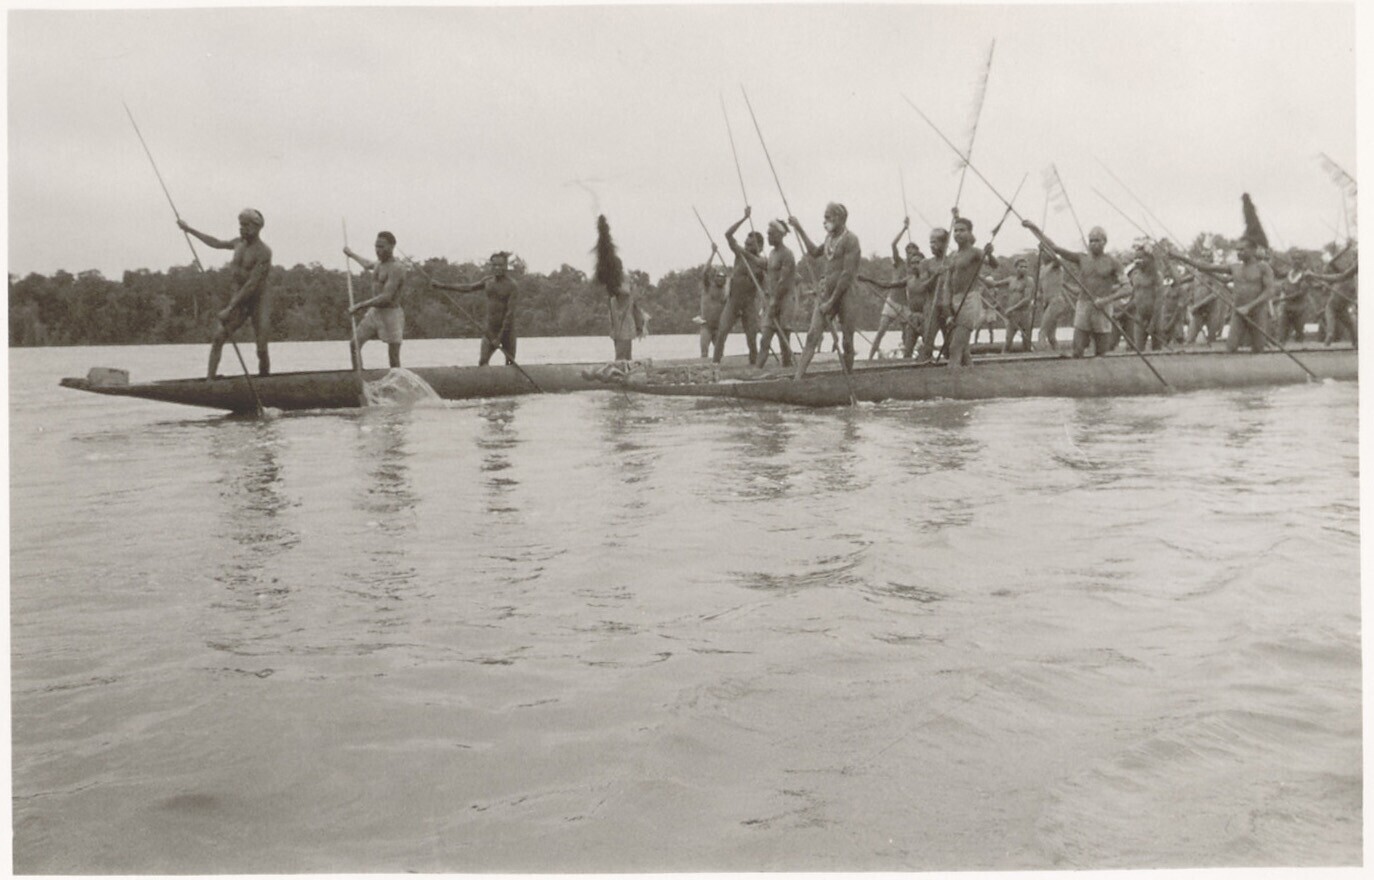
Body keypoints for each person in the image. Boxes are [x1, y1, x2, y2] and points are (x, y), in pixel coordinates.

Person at [178, 208, 273, 380]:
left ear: (257, 227)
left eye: (246, 225)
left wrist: (230, 308)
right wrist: (189, 229)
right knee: (219, 337)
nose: (241, 228)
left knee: (261, 348)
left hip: (258, 300)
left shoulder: (264, 252)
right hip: (239, 300)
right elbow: (215, 243)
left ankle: (265, 381)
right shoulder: (237, 243)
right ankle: (210, 380)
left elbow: (251, 285)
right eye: (240, 225)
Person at [1023, 221, 1123, 357]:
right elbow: (1054, 247)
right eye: (1091, 241)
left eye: (1097, 240)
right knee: (1078, 349)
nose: (1093, 244)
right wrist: (1033, 228)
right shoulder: (1082, 258)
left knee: (1102, 351)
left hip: (1103, 307)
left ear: (1104, 242)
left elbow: (1127, 288)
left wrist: (1106, 300)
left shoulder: (1113, 262)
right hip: (1084, 305)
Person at [1167, 235, 1277, 352]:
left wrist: (1249, 307)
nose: (1238, 253)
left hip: (1257, 312)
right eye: (1237, 250)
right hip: (1238, 311)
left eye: (1242, 249)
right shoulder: (1235, 267)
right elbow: (1206, 267)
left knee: (1258, 349)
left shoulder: (1263, 267)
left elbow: (1269, 291)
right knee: (1230, 348)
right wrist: (1179, 257)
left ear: (1253, 250)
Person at [789, 202, 860, 378]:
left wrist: (832, 302)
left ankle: (849, 378)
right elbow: (814, 252)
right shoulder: (829, 239)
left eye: (828, 217)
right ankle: (798, 379)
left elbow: (847, 275)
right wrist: (799, 228)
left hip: (845, 295)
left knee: (847, 341)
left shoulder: (851, 240)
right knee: (812, 336)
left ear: (840, 218)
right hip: (826, 294)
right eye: (824, 217)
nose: (825, 221)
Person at [431, 251, 519, 365]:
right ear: (491, 266)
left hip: (507, 332)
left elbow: (510, 314)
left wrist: (499, 338)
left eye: (500, 265)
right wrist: (442, 286)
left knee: (511, 364)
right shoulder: (488, 281)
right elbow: (467, 288)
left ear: (506, 266)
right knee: (483, 362)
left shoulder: (512, 285)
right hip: (490, 330)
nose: (497, 268)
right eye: (494, 265)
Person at [712, 207, 768, 364]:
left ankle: (754, 363)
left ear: (759, 246)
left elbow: (766, 278)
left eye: (750, 245)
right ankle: (715, 362)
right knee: (722, 331)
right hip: (733, 301)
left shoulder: (761, 261)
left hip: (749, 303)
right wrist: (744, 218)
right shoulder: (739, 254)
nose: (747, 246)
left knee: (751, 337)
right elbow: (728, 234)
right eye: (746, 244)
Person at [343, 230, 406, 369]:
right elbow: (366, 264)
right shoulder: (378, 264)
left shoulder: (397, 268)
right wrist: (351, 254)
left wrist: (359, 306)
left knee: (394, 357)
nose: (378, 250)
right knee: (354, 344)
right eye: (376, 246)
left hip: (391, 314)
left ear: (391, 247)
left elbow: (386, 297)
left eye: (381, 247)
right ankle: (358, 375)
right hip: (375, 312)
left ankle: (398, 379)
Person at [941, 216, 998, 367]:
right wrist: (947, 310)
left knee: (955, 347)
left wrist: (989, 253)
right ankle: (971, 377)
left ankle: (951, 378)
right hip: (955, 301)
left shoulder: (975, 252)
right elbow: (948, 283)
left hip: (969, 301)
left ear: (970, 233)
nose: (958, 233)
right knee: (964, 350)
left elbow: (994, 264)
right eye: (956, 230)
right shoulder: (953, 255)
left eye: (962, 230)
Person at [866, 219, 925, 359]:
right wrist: (904, 228)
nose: (910, 256)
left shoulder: (917, 268)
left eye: (913, 253)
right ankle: (870, 358)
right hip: (893, 301)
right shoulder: (899, 263)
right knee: (881, 331)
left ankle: (907, 358)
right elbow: (893, 244)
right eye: (908, 253)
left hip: (906, 306)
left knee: (907, 334)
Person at [757, 219, 797, 367]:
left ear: (780, 235)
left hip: (785, 300)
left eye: (771, 234)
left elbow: (783, 281)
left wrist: (775, 302)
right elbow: (768, 272)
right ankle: (758, 369)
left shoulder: (787, 254)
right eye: (768, 234)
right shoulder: (772, 254)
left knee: (783, 339)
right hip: (772, 300)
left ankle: (787, 367)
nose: (768, 237)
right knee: (764, 339)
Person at [914, 227, 953, 362]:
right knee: (928, 340)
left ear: (944, 243)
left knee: (950, 344)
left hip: (948, 306)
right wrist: (936, 275)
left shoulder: (951, 261)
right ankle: (925, 360)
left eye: (935, 242)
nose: (932, 246)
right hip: (932, 305)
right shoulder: (925, 264)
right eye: (930, 242)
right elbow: (922, 286)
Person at [1304, 258, 1358, 348]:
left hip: (1343, 309)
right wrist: (1313, 276)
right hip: (1331, 307)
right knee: (1330, 333)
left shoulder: (1354, 281)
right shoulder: (1344, 277)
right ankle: (1325, 348)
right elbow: (1330, 278)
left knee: (1353, 330)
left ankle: (1355, 345)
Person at [984, 256, 1034, 353]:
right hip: (1013, 315)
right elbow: (994, 284)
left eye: (1025, 267)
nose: (1024, 269)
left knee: (1027, 342)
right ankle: (1004, 356)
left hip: (1025, 314)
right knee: (1008, 341)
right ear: (1016, 268)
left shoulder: (1029, 281)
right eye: (1021, 267)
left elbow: (1027, 299)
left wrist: (1012, 308)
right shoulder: (1011, 279)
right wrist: (979, 277)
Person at [1036, 246, 1073, 352]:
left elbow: (1058, 260)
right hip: (1047, 302)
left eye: (1046, 253)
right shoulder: (1043, 268)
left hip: (1056, 301)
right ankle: (1057, 352)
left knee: (1042, 331)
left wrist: (1046, 247)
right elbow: (1042, 286)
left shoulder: (1056, 265)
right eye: (1043, 253)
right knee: (1051, 336)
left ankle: (1041, 353)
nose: (1044, 255)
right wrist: (1039, 295)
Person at [608, 273, 649, 360]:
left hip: (623, 332)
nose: (630, 285)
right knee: (622, 358)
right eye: (628, 283)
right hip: (622, 332)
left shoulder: (619, 299)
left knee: (626, 357)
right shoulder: (621, 298)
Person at [698, 249, 729, 358]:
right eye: (718, 276)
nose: (720, 279)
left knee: (720, 354)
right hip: (706, 326)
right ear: (715, 277)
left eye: (722, 277)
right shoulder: (708, 286)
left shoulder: (726, 290)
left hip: (719, 327)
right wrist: (712, 253)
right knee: (704, 352)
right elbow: (704, 272)